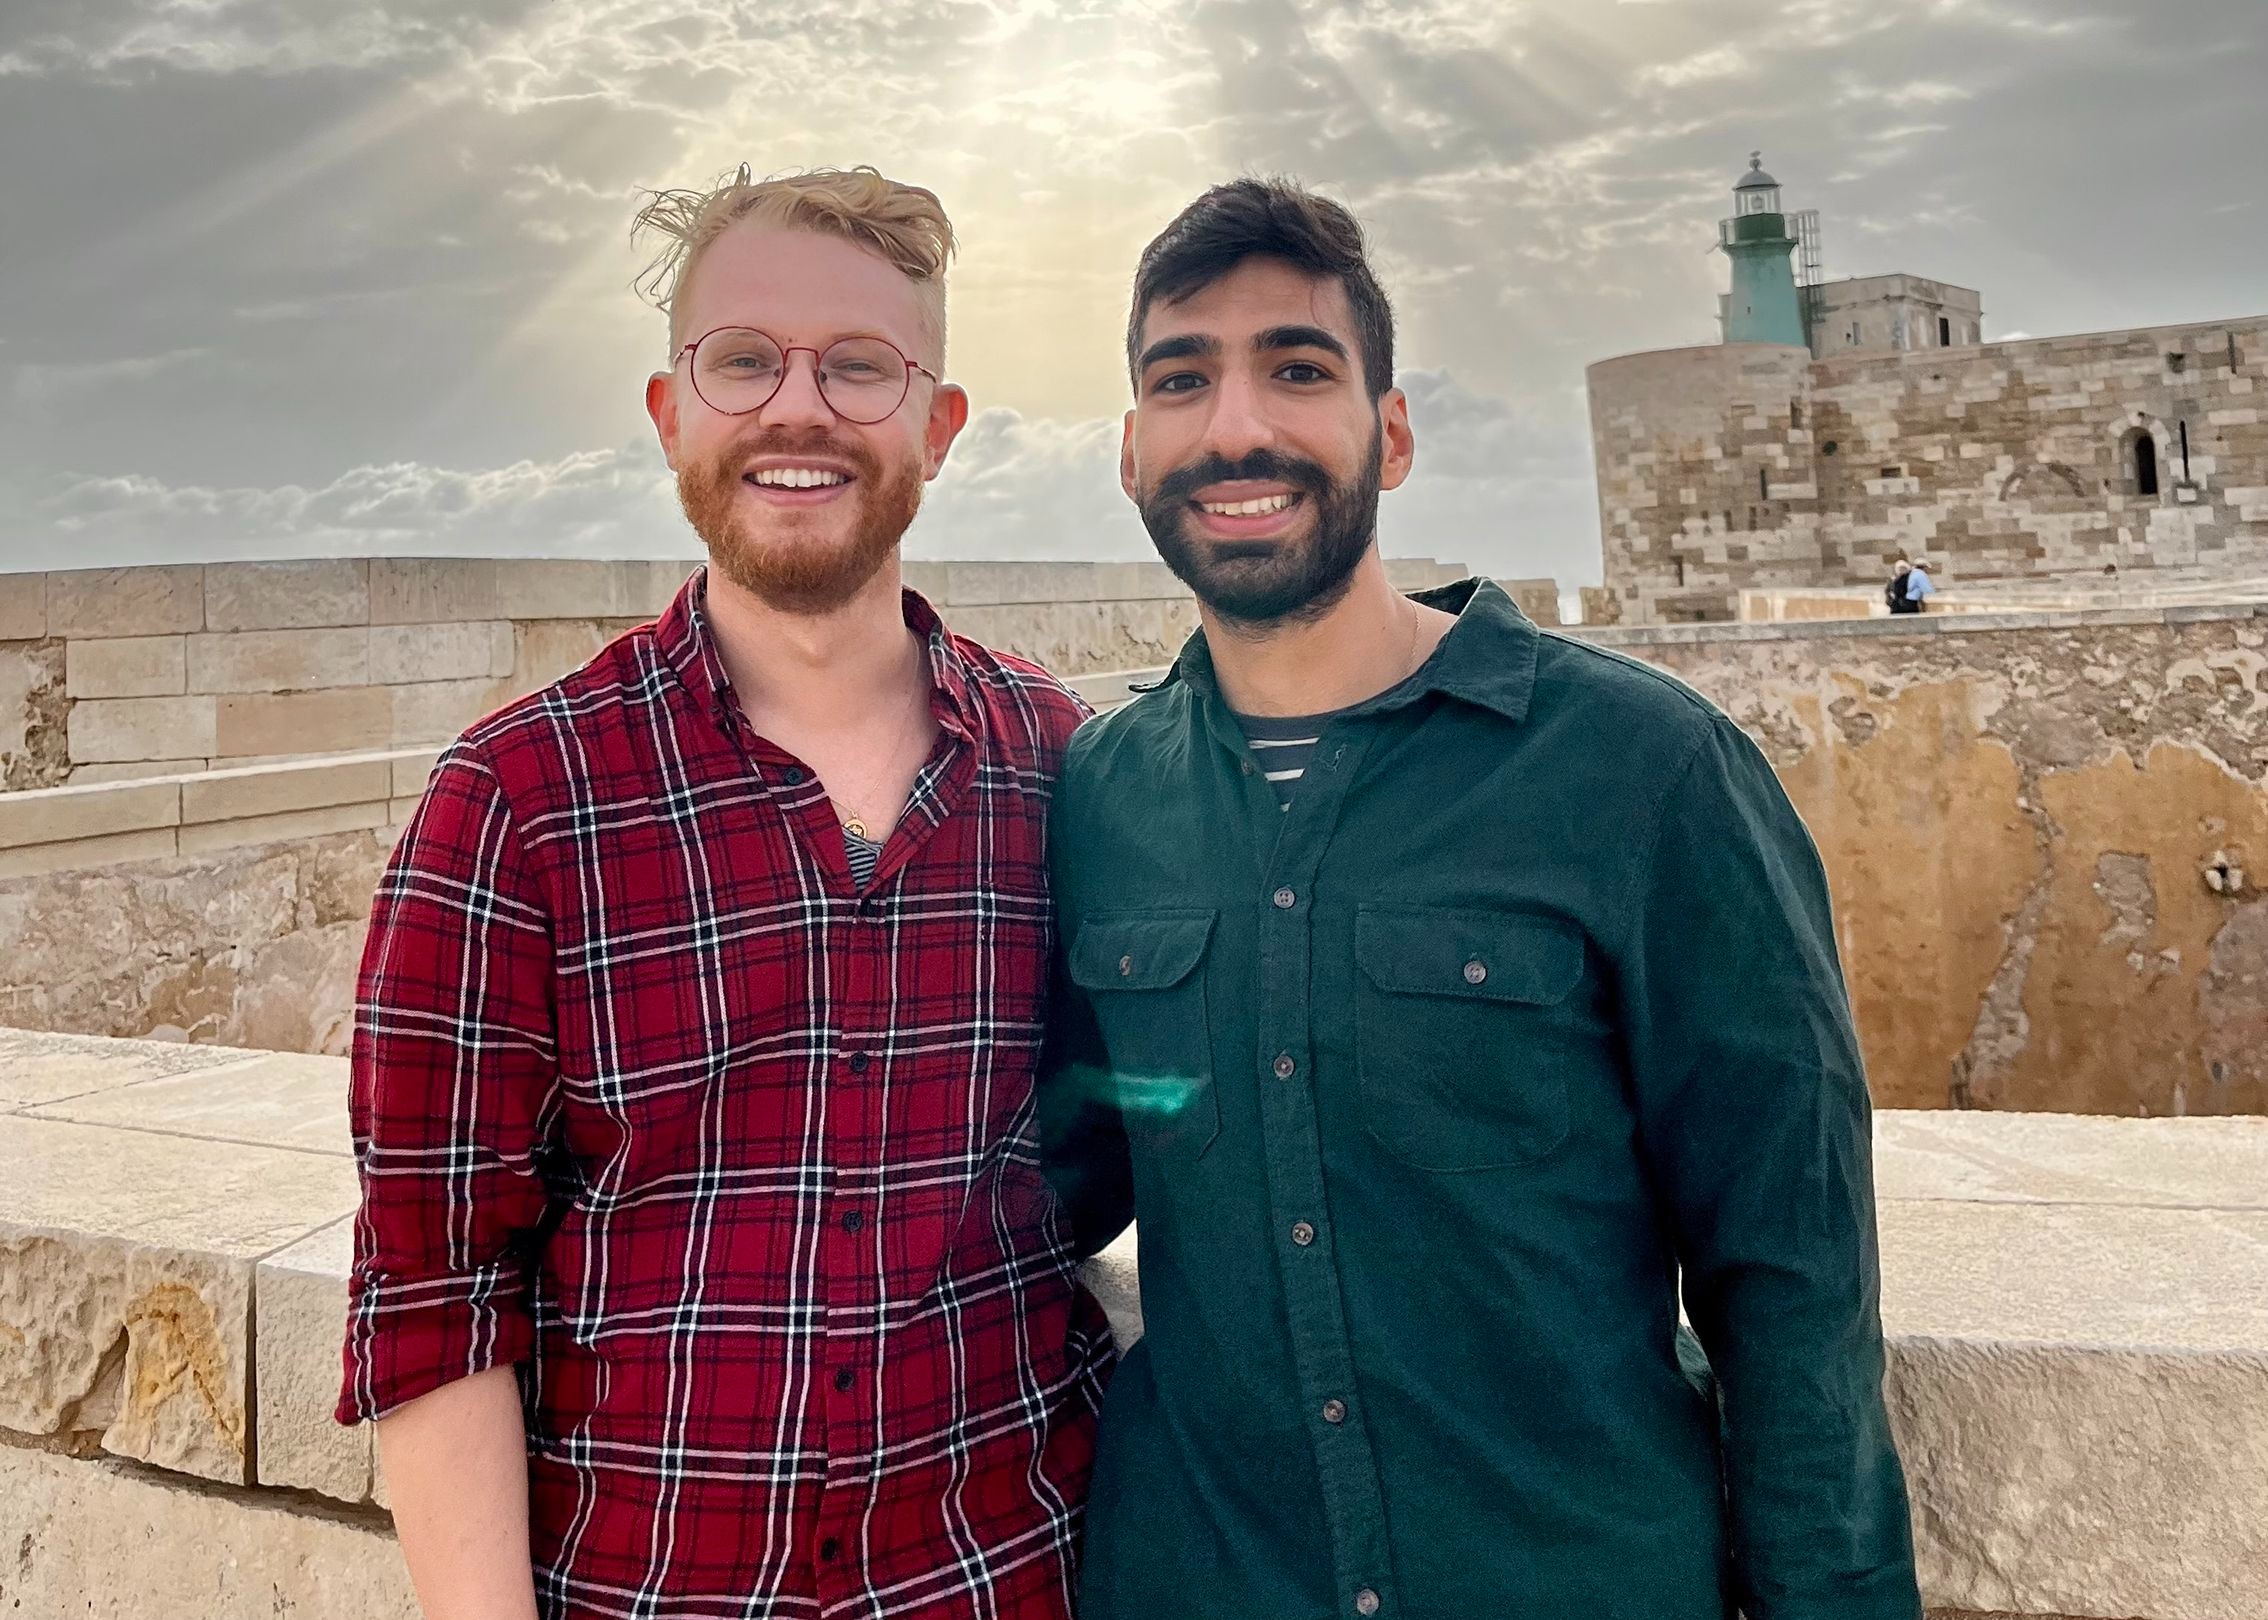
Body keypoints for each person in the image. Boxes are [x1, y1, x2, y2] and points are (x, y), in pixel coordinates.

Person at [1040, 178, 1921, 1620]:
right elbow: (1045, 1181)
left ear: (1390, 433)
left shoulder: (1648, 772)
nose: (1238, 426)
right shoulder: (1099, 797)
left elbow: (1794, 1270)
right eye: (1182, 380)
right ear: (1133, 454)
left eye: (1299, 369)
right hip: (1203, 1580)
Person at [339, 166, 1113, 1620]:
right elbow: (436, 1291)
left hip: (1010, 1579)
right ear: (669, 413)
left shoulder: (1065, 773)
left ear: (938, 430)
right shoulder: (515, 804)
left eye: (861, 367)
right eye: (744, 359)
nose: (796, 408)